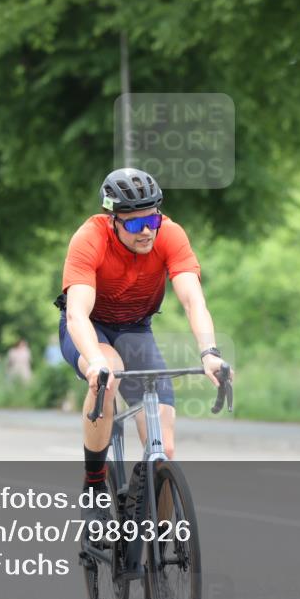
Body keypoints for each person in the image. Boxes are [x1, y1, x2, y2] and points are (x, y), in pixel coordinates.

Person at [56, 168, 233, 521]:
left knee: (164, 448)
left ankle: (160, 536)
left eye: (152, 218)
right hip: (92, 329)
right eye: (135, 225)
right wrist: (94, 362)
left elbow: (193, 301)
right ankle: (94, 487)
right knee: (110, 377)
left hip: (136, 329)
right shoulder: (89, 238)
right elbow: (77, 314)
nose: (147, 230)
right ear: (114, 221)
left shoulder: (170, 235)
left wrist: (210, 353)